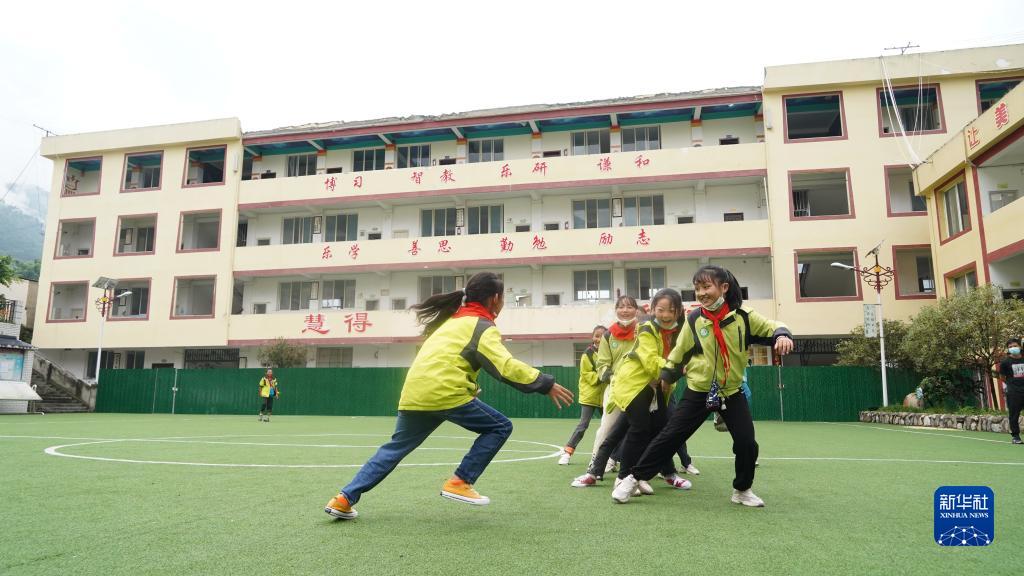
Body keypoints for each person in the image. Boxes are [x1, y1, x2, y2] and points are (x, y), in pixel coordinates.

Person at [324, 272, 574, 520]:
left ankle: (344, 498)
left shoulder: (451, 322)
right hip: (443, 392)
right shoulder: (482, 326)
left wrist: (469, 388)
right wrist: (545, 383)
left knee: (394, 449)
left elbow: (449, 360)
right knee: (500, 427)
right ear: (495, 298)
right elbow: (505, 366)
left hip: (414, 393)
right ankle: (460, 481)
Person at [612, 265, 793, 507]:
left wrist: (782, 335)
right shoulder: (695, 319)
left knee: (746, 442)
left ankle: (742, 490)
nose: (701, 293)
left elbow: (773, 326)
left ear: (724, 288)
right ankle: (632, 478)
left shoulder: (743, 316)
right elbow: (679, 352)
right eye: (697, 288)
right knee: (670, 437)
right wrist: (667, 377)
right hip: (699, 390)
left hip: (730, 391)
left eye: (706, 287)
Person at [608, 288, 693, 498]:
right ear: (652, 309)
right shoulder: (646, 327)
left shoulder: (679, 331)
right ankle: (623, 478)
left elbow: (684, 355)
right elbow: (649, 360)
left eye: (671, 311)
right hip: (634, 384)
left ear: (678, 312)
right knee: (638, 429)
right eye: (660, 309)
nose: (665, 315)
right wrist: (673, 372)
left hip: (657, 387)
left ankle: (646, 475)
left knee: (661, 429)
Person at [571, 296, 639, 486]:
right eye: (621, 307)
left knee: (644, 429)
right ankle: (595, 467)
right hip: (616, 389)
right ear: (616, 310)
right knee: (606, 428)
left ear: (636, 310)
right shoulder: (609, 335)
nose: (625, 310)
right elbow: (602, 364)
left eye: (629, 307)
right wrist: (612, 378)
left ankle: (645, 472)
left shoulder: (643, 331)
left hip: (640, 389)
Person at [558, 325, 607, 465]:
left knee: (609, 428)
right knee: (583, 425)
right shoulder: (588, 354)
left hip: (604, 398)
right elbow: (586, 374)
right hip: (589, 397)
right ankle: (567, 453)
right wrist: (602, 377)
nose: (599, 339)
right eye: (596, 336)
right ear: (593, 337)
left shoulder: (609, 353)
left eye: (602, 336)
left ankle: (609, 459)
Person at [998, 338, 1024, 445]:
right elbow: (1002, 377)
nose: (1013, 348)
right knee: (1014, 414)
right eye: (1010, 347)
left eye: (1015, 346)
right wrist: (1012, 384)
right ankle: (1016, 436)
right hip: (1014, 392)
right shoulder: (1005, 362)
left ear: (1020, 346)